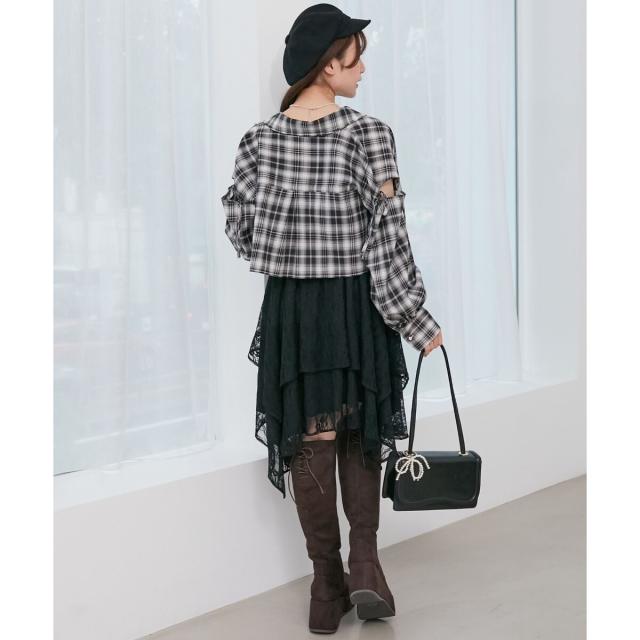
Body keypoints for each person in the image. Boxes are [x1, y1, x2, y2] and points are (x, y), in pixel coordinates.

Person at [220, 3, 443, 633]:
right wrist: (416, 320)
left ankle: (326, 587)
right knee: (358, 430)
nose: (363, 68)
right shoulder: (368, 134)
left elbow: (238, 227)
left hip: (292, 309)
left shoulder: (258, 140)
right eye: (355, 57)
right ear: (328, 65)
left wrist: (290, 247)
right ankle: (365, 564)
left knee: (311, 437)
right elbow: (388, 238)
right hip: (355, 301)